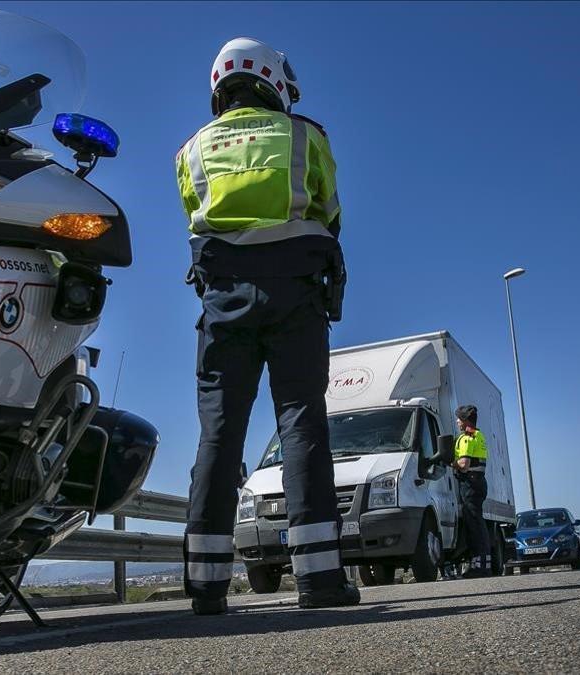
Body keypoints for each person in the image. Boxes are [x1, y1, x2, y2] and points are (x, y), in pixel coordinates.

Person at [175, 37, 355, 615]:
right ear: (274, 81)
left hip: (224, 301)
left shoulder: (192, 149)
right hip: (295, 296)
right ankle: (320, 581)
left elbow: (192, 217)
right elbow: (329, 210)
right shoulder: (307, 136)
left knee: (219, 432)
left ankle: (204, 586)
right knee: (301, 420)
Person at [453, 405, 491, 578]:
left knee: (474, 526)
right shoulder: (479, 434)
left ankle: (479, 567)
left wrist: (450, 462)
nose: (457, 421)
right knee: (478, 524)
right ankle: (484, 563)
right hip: (479, 482)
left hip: (470, 484)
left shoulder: (467, 437)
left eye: (459, 419)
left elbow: (464, 464)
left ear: (466, 420)